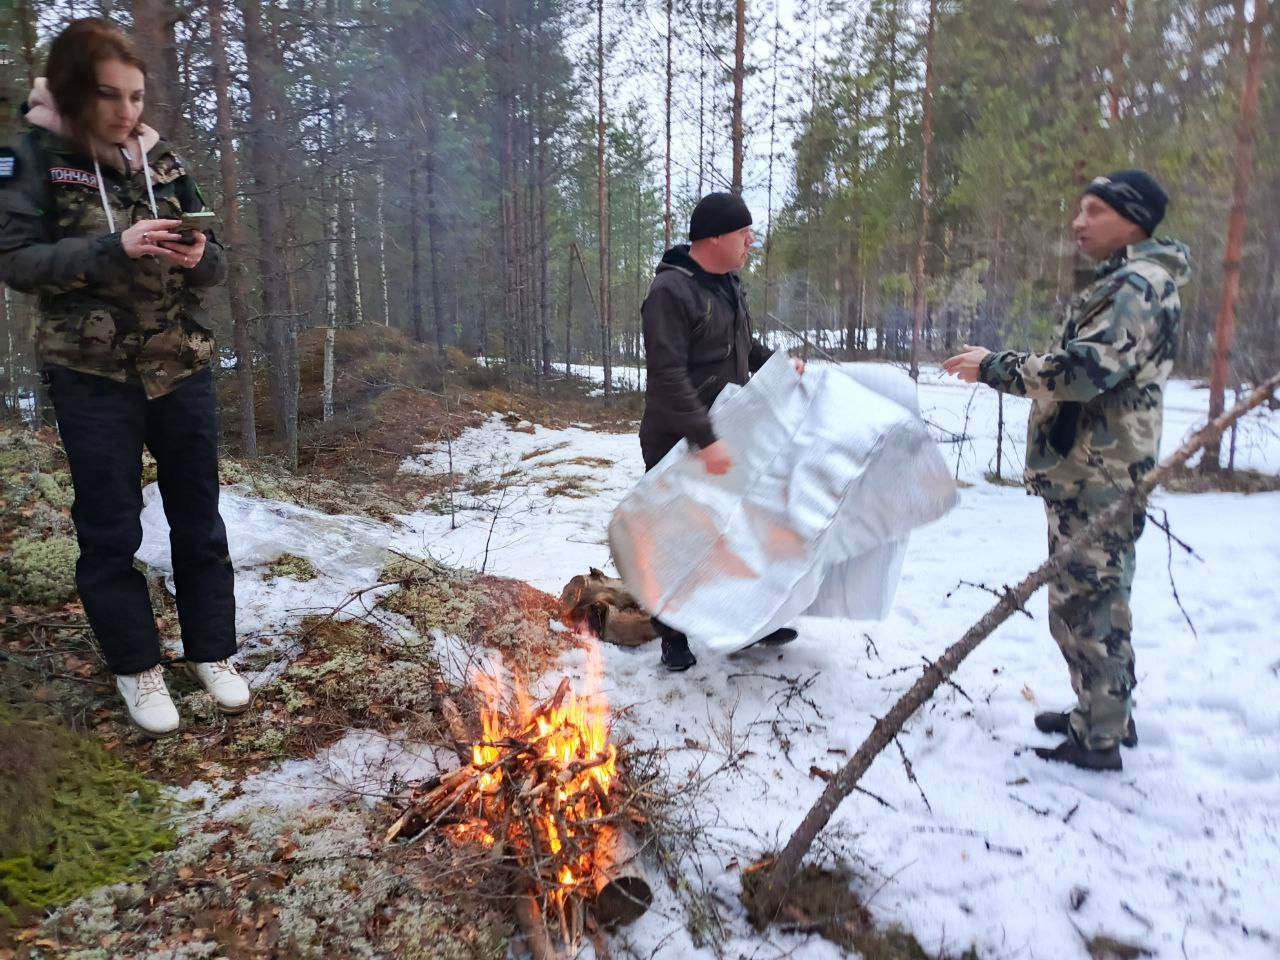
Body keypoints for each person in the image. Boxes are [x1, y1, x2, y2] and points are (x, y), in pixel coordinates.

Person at [0, 18, 249, 736]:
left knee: (199, 518)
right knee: (110, 530)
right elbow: (15, 260)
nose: (126, 111)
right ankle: (137, 665)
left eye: (137, 96)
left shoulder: (158, 157)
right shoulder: (29, 157)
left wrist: (195, 255)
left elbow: (218, 262)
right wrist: (115, 245)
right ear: (77, 90)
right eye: (110, 96)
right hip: (92, 373)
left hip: (181, 367)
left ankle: (214, 652)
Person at [943, 170, 1189, 772]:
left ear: (1133, 220)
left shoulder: (1135, 284)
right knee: (1089, 601)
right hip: (1093, 467)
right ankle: (1101, 714)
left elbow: (1082, 372)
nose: (1079, 223)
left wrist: (995, 367)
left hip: (1099, 474)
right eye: (1079, 209)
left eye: (1095, 211)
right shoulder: (1127, 279)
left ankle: (1099, 739)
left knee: (1090, 606)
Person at [639, 191, 804, 671]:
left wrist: (776, 365)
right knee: (679, 536)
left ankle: (749, 621)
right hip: (678, 439)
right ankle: (673, 636)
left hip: (729, 429)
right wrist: (703, 439)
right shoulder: (670, 293)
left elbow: (741, 344)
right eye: (743, 233)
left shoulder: (726, 283)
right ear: (713, 237)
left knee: (742, 529)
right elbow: (667, 377)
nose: (751, 241)